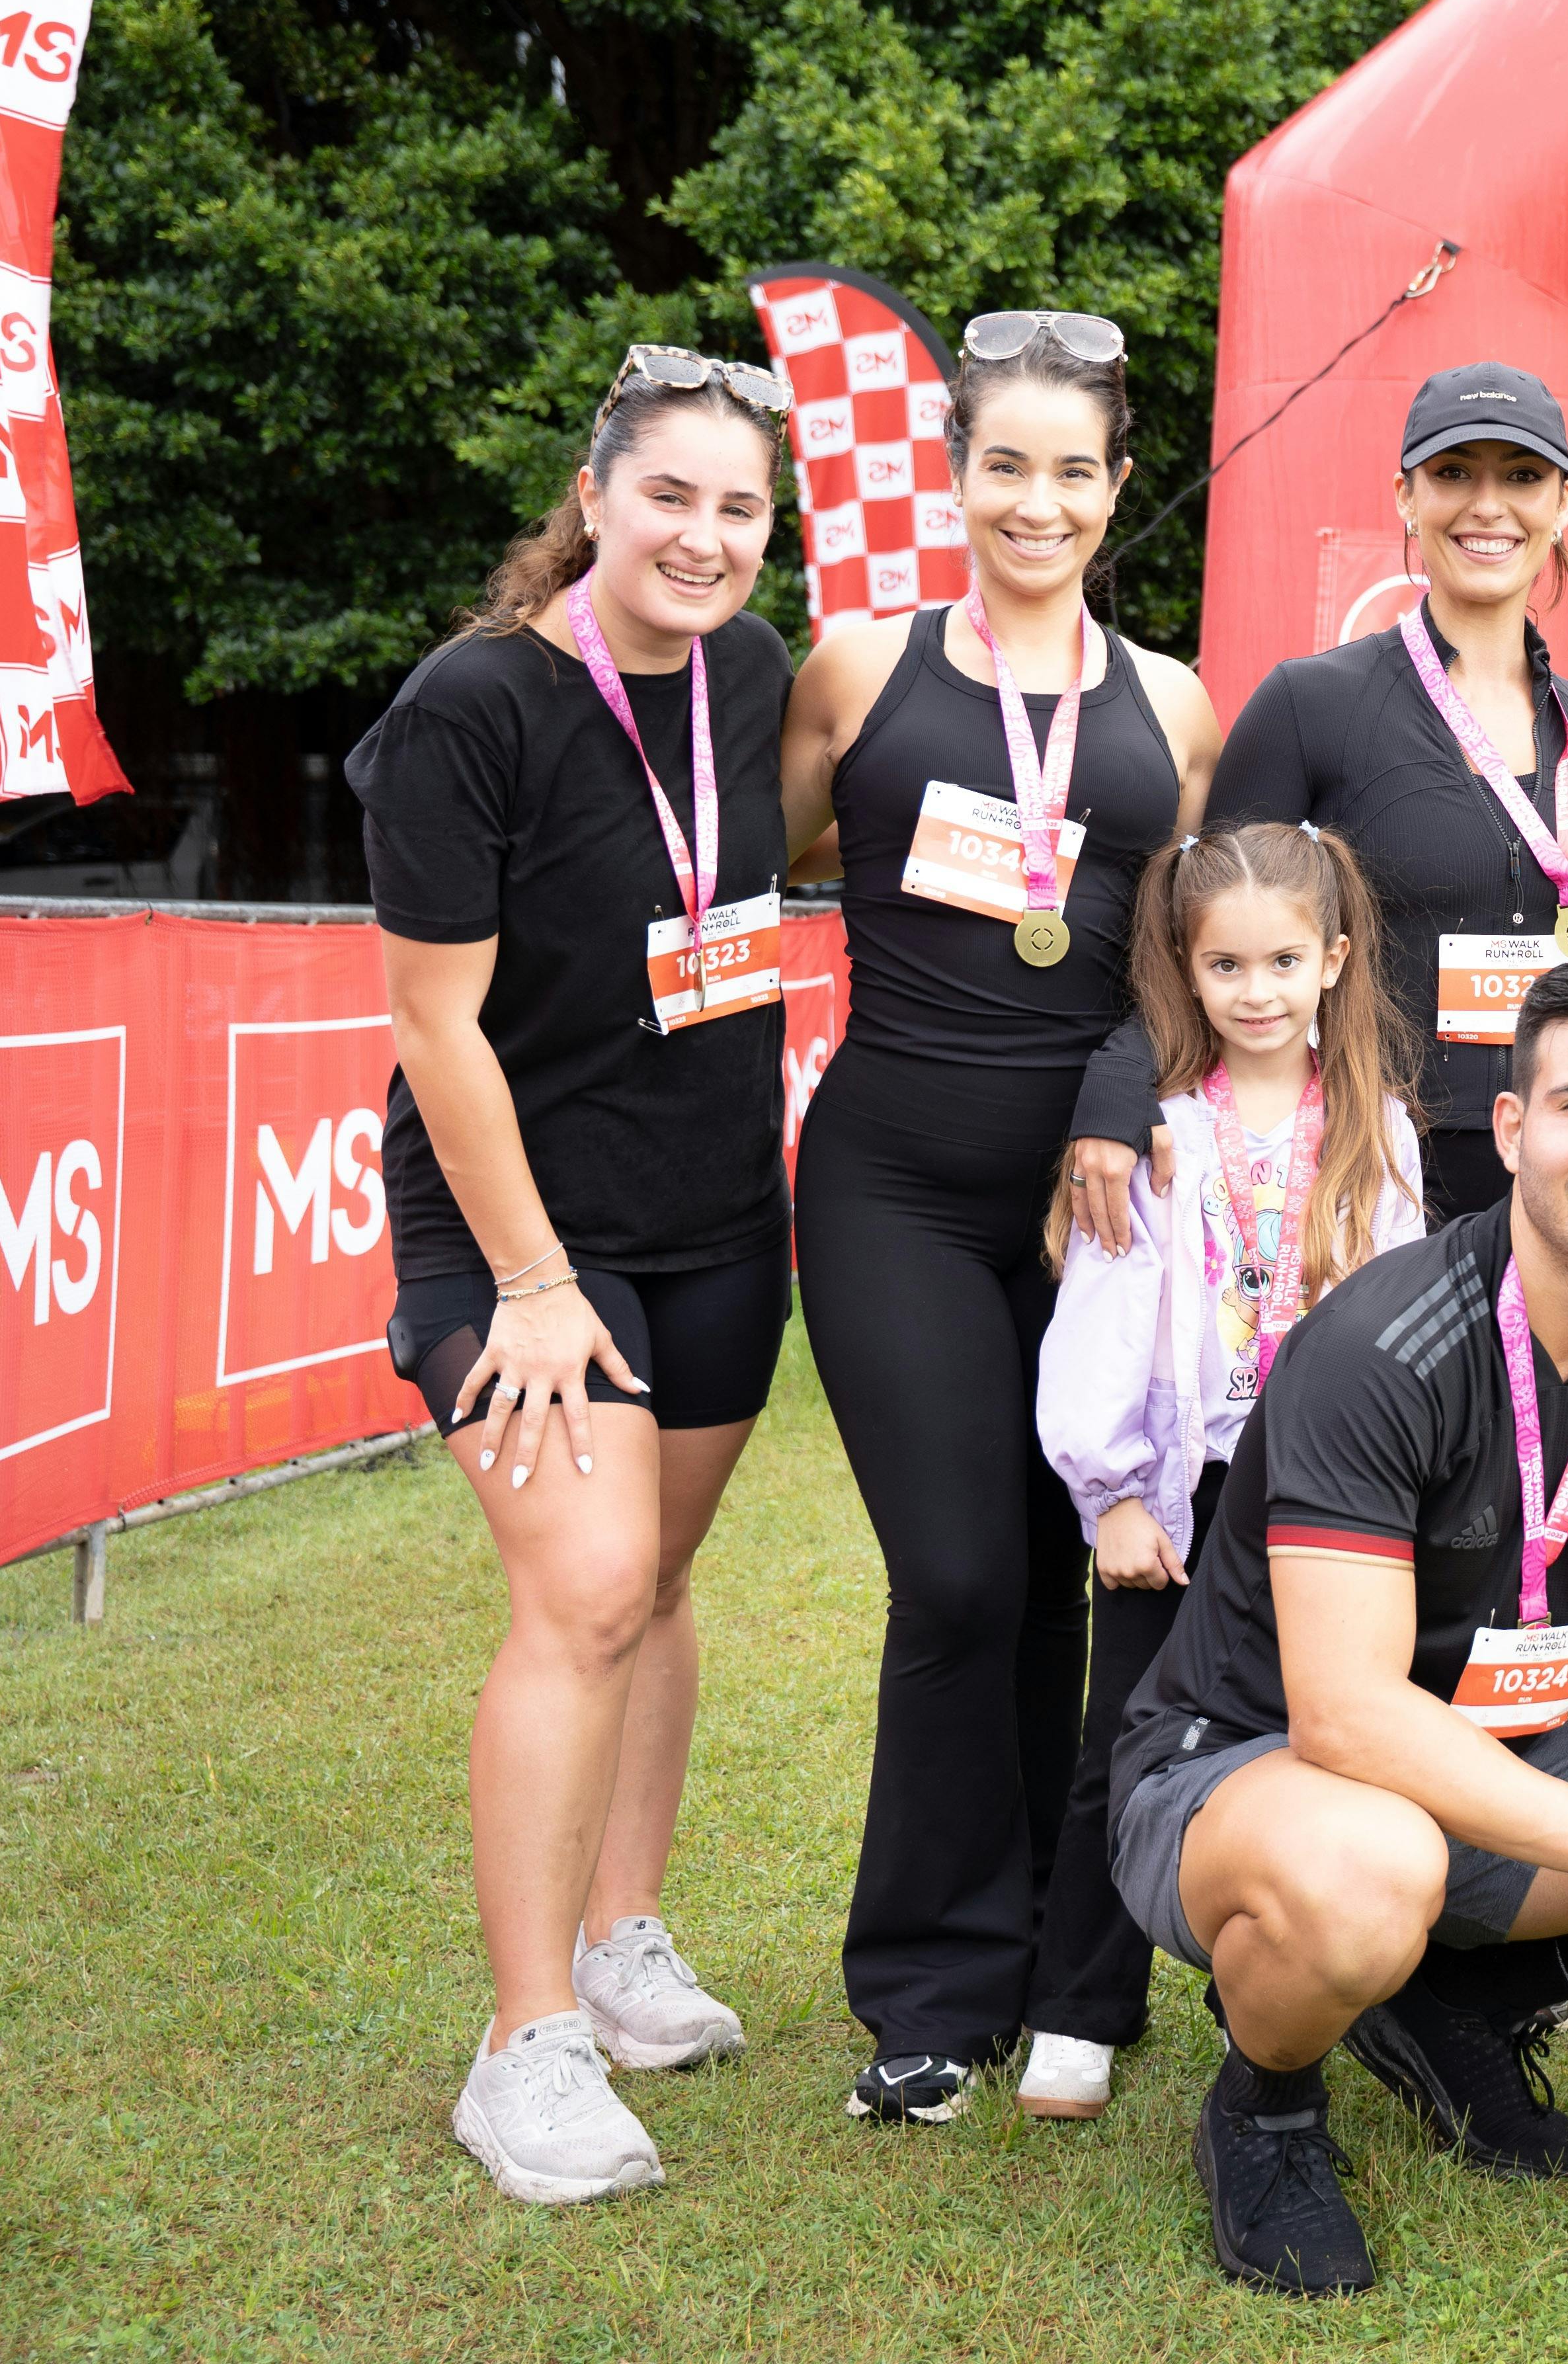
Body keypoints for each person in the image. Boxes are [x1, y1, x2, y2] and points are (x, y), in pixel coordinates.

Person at [1106, 960, 1568, 2297]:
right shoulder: (1378, 1344)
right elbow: (1342, 1709)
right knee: (1373, 1863)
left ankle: (1459, 1996)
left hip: (1483, 1768)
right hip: (1246, 1766)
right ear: (1514, 1128)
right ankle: (1267, 2104)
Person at [359, 343, 798, 2203]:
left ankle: (621, 1942)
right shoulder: (475, 704)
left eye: (740, 510)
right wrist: (534, 1284)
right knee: (593, 1584)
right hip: (517, 1233)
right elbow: (435, 1025)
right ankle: (523, 2038)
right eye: (672, 497)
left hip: (715, 1212)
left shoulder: (752, 679)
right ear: (596, 498)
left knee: (666, 1575)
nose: (704, 539)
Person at [778, 309, 1227, 2124]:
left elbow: (1182, 956)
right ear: (954, 473)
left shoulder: (1175, 702)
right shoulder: (860, 662)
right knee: (961, 1574)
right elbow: (771, 849)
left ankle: (1067, 1966)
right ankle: (930, 1983)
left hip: (1100, 1206)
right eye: (1003, 465)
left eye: (1071, 471)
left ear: (1118, 487)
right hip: (890, 1178)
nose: (1034, 502)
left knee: (1081, 1582)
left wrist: (1118, 1107)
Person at [1067, 364, 1568, 1235]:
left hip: (1565, 1172)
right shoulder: (1311, 702)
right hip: (1379, 1172)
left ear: (1563, 504)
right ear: (1405, 496)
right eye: (1454, 474)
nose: (1489, 506)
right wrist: (1116, 1083)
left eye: (1521, 478)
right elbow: (1198, 925)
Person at [1014, 823, 1432, 2119]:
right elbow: (1096, 1316)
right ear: (1184, 975)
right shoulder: (1152, 1137)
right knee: (1122, 1748)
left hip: (1330, 1505)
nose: (1256, 990)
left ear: (1334, 961)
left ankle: (1341, 1985)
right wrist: (1114, 1493)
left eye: (1283, 960)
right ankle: (1080, 2007)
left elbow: (1406, 1322)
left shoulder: (1384, 1130)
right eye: (1226, 965)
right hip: (1181, 1497)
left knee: (1345, 1743)